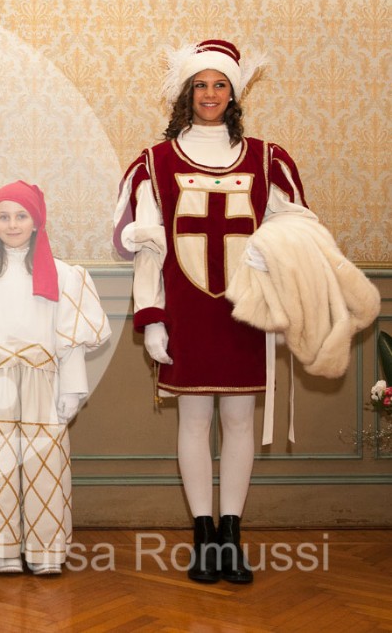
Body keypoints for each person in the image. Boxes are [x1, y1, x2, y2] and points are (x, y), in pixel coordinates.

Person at [112, 39, 312, 584]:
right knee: (195, 420)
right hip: (186, 314)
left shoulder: (267, 159)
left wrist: (278, 283)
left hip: (246, 312)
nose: (210, 93)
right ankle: (204, 538)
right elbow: (149, 249)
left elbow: (296, 233)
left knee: (240, 421)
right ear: (186, 92)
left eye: (220, 84)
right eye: (200, 84)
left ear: (234, 93)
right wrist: (152, 317)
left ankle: (231, 537)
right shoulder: (156, 163)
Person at [0, 181, 110, 575]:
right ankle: (5, 549)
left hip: (42, 384)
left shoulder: (63, 276)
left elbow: (71, 340)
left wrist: (72, 390)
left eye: (21, 216)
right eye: (4, 216)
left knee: (44, 466)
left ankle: (44, 550)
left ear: (36, 221)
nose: (12, 224)